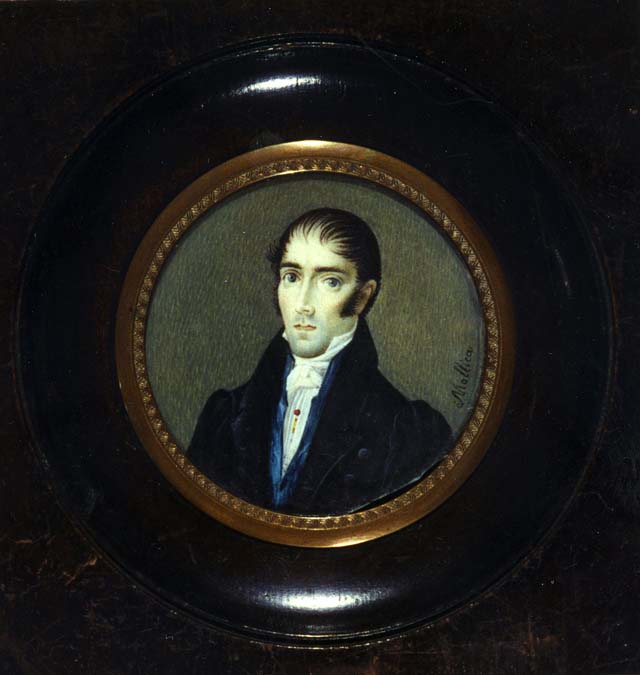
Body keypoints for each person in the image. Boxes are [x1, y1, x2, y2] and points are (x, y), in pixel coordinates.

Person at [188, 208, 452, 515]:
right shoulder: (222, 416)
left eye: (330, 282)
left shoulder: (409, 431)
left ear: (363, 296)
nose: (303, 305)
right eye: (292, 277)